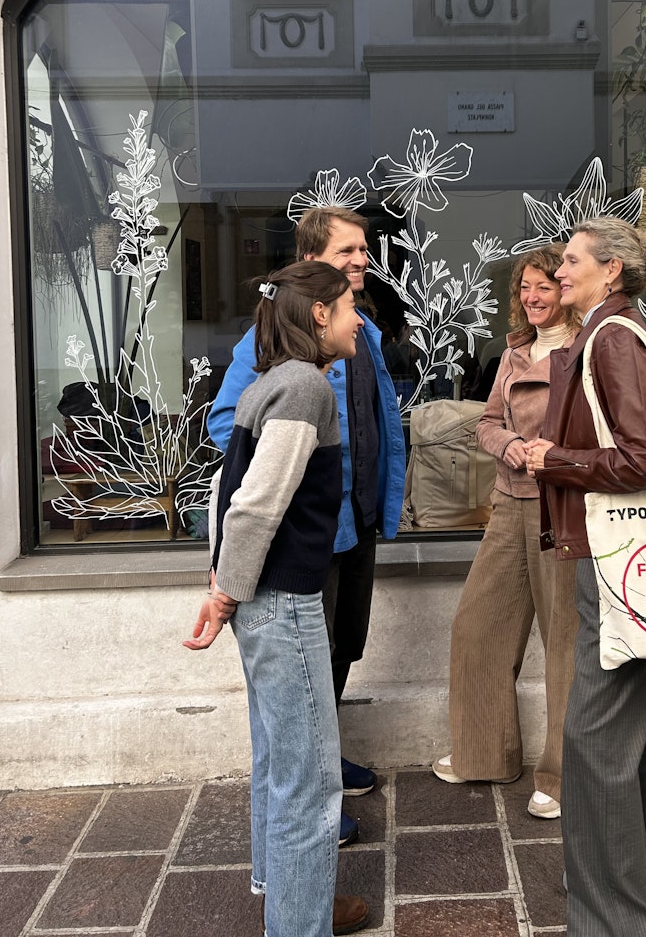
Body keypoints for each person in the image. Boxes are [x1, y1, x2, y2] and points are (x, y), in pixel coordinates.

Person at [207, 206, 407, 846]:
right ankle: (308, 796)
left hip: (359, 521)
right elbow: (228, 423)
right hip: (314, 532)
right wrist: (289, 477)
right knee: (301, 667)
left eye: (364, 249)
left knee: (342, 646)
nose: (362, 260)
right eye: (348, 250)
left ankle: (325, 759)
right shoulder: (271, 339)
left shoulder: (360, 329)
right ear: (311, 261)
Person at [184, 261, 369, 937]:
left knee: (278, 761)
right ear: (320, 314)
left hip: (262, 602)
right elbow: (254, 505)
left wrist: (223, 586)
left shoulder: (269, 382)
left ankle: (292, 899)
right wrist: (223, 595)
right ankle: (298, 923)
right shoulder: (305, 387)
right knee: (310, 782)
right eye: (348, 306)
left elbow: (224, 492)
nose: (358, 319)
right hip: (283, 604)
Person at [524, 217, 646, 937]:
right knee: (640, 729)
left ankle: (615, 915)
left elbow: (643, 457)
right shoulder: (610, 332)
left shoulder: (611, 337)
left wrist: (552, 459)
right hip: (629, 557)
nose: (559, 271)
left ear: (611, 269)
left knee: (593, 736)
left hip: (612, 559)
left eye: (570, 260)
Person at [431, 246, 580, 819]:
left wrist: (551, 454)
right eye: (524, 287)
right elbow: (487, 422)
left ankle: (562, 778)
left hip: (559, 508)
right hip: (508, 502)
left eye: (544, 285)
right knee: (477, 626)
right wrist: (508, 444)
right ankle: (485, 754)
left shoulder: (584, 348)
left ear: (565, 289)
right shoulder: (514, 351)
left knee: (564, 641)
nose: (533, 297)